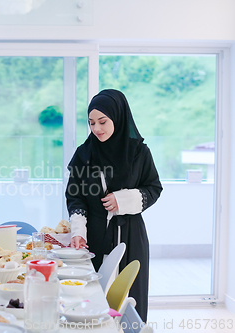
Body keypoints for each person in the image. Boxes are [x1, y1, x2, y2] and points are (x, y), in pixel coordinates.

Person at [65, 89, 162, 322]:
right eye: (91, 123)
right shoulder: (84, 154)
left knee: (129, 303)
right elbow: (74, 196)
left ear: (117, 118)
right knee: (92, 302)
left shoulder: (139, 152)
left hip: (130, 237)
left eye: (102, 121)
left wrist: (124, 200)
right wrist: (78, 232)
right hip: (94, 237)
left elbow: (154, 188)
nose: (96, 129)